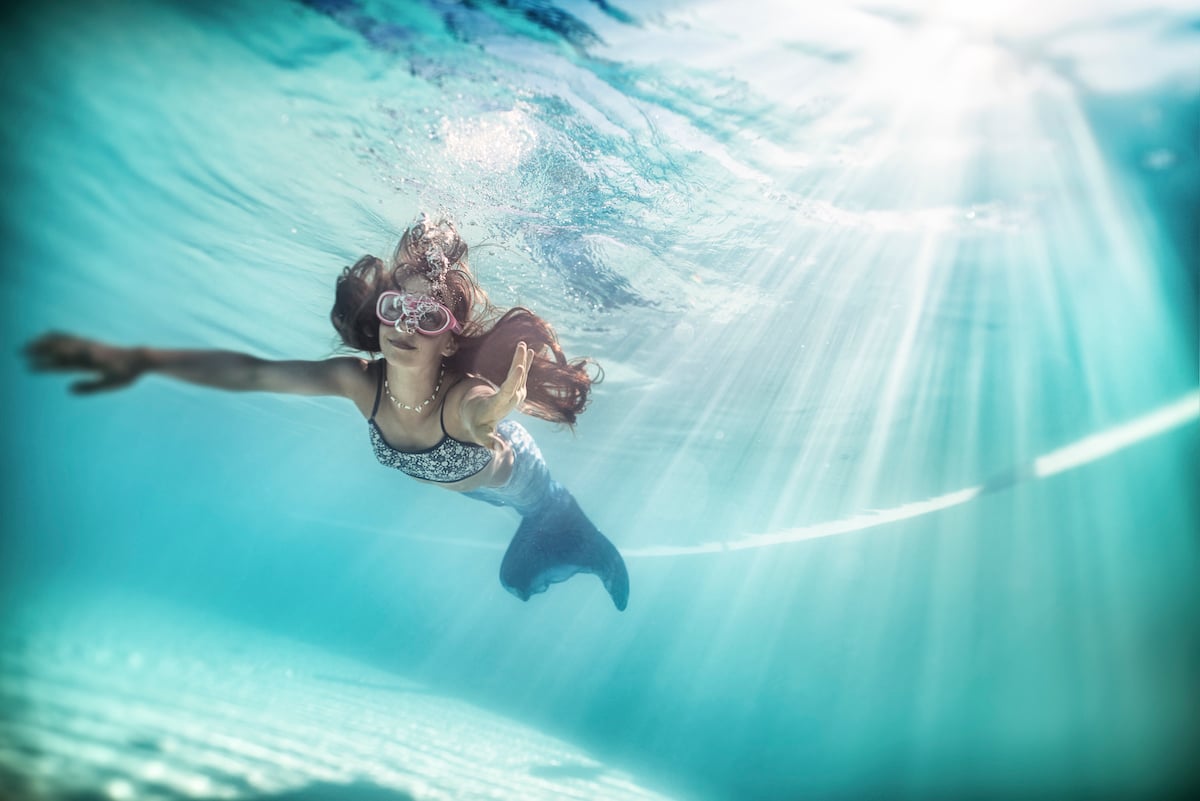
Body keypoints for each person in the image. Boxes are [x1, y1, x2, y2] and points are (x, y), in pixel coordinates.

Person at [23, 216, 630, 611]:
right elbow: (255, 372)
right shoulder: (358, 381)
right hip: (473, 489)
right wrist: (144, 359)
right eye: (396, 307)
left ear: (450, 338)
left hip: (522, 479)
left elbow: (478, 419)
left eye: (428, 318)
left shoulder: (463, 398)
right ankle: (562, 537)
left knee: (535, 535)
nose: (404, 327)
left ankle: (579, 535)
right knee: (520, 546)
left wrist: (495, 412)